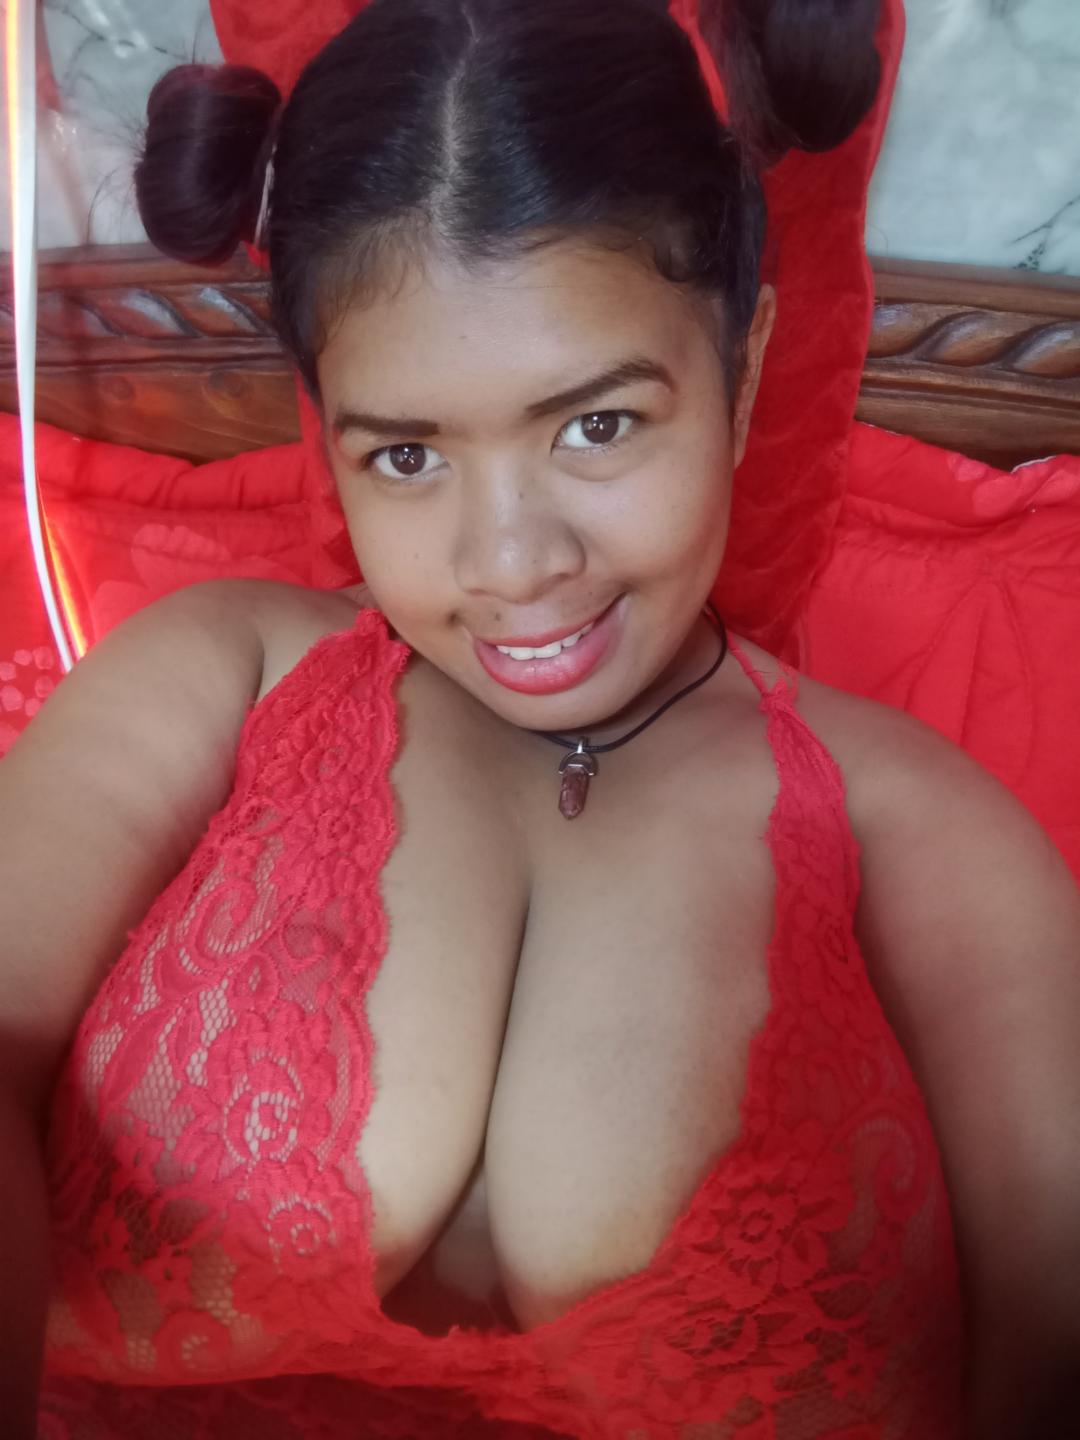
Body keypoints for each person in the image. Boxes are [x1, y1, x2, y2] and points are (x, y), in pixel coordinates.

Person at [2, 1, 1078, 1436]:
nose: (511, 565)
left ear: (744, 371)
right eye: (405, 455)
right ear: (325, 427)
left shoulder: (929, 838)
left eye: (598, 425)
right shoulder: (215, 677)